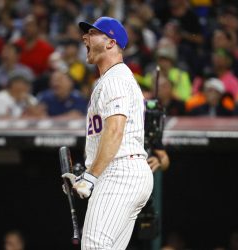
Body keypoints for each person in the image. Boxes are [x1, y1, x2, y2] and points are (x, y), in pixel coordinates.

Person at [62, 17, 153, 249]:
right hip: (123, 171)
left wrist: (90, 178)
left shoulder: (116, 78)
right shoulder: (109, 80)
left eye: (92, 33)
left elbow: (115, 130)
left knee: (95, 246)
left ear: (111, 42)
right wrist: (88, 174)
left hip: (120, 172)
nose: (84, 37)